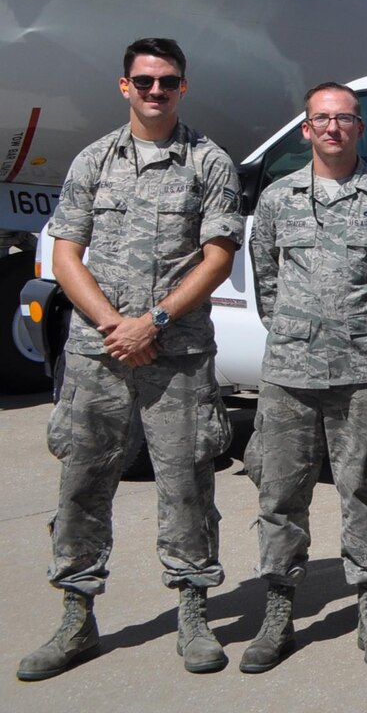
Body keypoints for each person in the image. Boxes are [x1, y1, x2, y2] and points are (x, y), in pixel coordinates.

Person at [20, 38, 243, 682]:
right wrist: (115, 324)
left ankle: (194, 612)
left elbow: (219, 256)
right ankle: (76, 616)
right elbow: (66, 255)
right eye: (143, 81)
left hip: (177, 354)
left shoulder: (209, 161)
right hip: (99, 354)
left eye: (167, 81)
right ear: (124, 86)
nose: (154, 91)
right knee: (84, 482)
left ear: (183, 87)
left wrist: (156, 321)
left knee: (188, 481)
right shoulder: (94, 160)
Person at [239, 83, 367, 673]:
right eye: (322, 118)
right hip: (289, 372)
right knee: (279, 493)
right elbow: (266, 280)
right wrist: (297, 333)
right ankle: (278, 609)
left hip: (365, 371)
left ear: (359, 128)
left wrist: (365, 338)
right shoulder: (276, 199)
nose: (333, 128)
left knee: (365, 491)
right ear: (306, 128)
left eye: (344, 119)